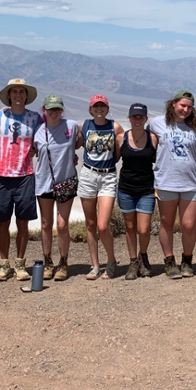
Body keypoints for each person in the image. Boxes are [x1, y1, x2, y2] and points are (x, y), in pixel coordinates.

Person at [149, 90, 196, 279]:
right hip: (166, 181)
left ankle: (187, 260)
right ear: (173, 104)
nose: (186, 110)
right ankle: (169, 260)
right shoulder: (157, 123)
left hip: (189, 182)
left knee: (188, 225)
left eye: (189, 107)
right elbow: (145, 142)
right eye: (182, 105)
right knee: (166, 222)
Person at [0, 78, 42, 282]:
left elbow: (47, 135)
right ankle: (4, 265)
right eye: (14, 91)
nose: (18, 94)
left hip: (25, 175)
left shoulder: (35, 118)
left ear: (26, 95)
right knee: (2, 222)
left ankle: (20, 264)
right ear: (9, 95)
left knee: (22, 221)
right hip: (2, 176)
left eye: (22, 91)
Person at [34, 94, 83, 281]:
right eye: (50, 109)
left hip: (66, 181)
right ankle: (47, 261)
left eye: (57, 109)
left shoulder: (70, 126)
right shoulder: (38, 131)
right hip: (44, 181)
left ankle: (63, 262)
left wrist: (73, 156)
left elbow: (79, 141)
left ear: (62, 110)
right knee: (46, 224)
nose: (54, 112)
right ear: (44, 110)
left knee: (62, 225)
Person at [79, 95, 124, 280]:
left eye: (102, 106)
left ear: (107, 108)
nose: (99, 109)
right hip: (88, 175)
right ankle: (95, 265)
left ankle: (111, 261)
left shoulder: (115, 127)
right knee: (90, 224)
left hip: (108, 176)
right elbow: (75, 144)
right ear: (90, 109)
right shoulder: (84, 126)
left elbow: (119, 153)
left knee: (102, 225)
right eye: (95, 106)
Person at [115, 103, 158, 281]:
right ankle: (133, 262)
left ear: (146, 119)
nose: (137, 120)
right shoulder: (121, 138)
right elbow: (113, 159)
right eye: (134, 117)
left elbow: (159, 159)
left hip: (146, 189)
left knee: (144, 228)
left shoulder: (153, 138)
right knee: (130, 227)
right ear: (129, 118)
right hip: (126, 188)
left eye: (141, 117)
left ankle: (143, 256)